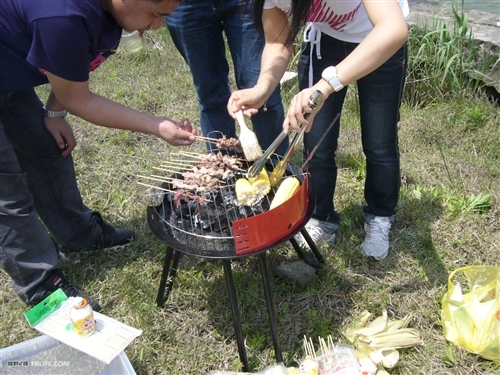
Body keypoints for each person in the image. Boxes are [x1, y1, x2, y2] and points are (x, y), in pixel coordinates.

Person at [0, 0, 196, 312]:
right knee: (8, 193)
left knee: (46, 151)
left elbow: (68, 67)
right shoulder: (62, 14)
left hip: (8, 77)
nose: (158, 25)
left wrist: (54, 111)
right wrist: (156, 125)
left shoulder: (107, 14)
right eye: (157, 14)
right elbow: (79, 98)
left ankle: (79, 236)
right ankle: (41, 287)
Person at [228, 0, 409, 260]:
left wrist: (325, 86)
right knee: (316, 144)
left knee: (379, 142)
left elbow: (393, 29)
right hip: (326, 41)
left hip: (380, 39)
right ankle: (321, 217)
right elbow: (277, 42)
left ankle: (380, 216)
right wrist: (262, 89)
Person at [164, 0, 288, 156]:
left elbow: (277, 43)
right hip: (184, 4)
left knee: (262, 92)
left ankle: (277, 166)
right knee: (210, 94)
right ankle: (225, 168)